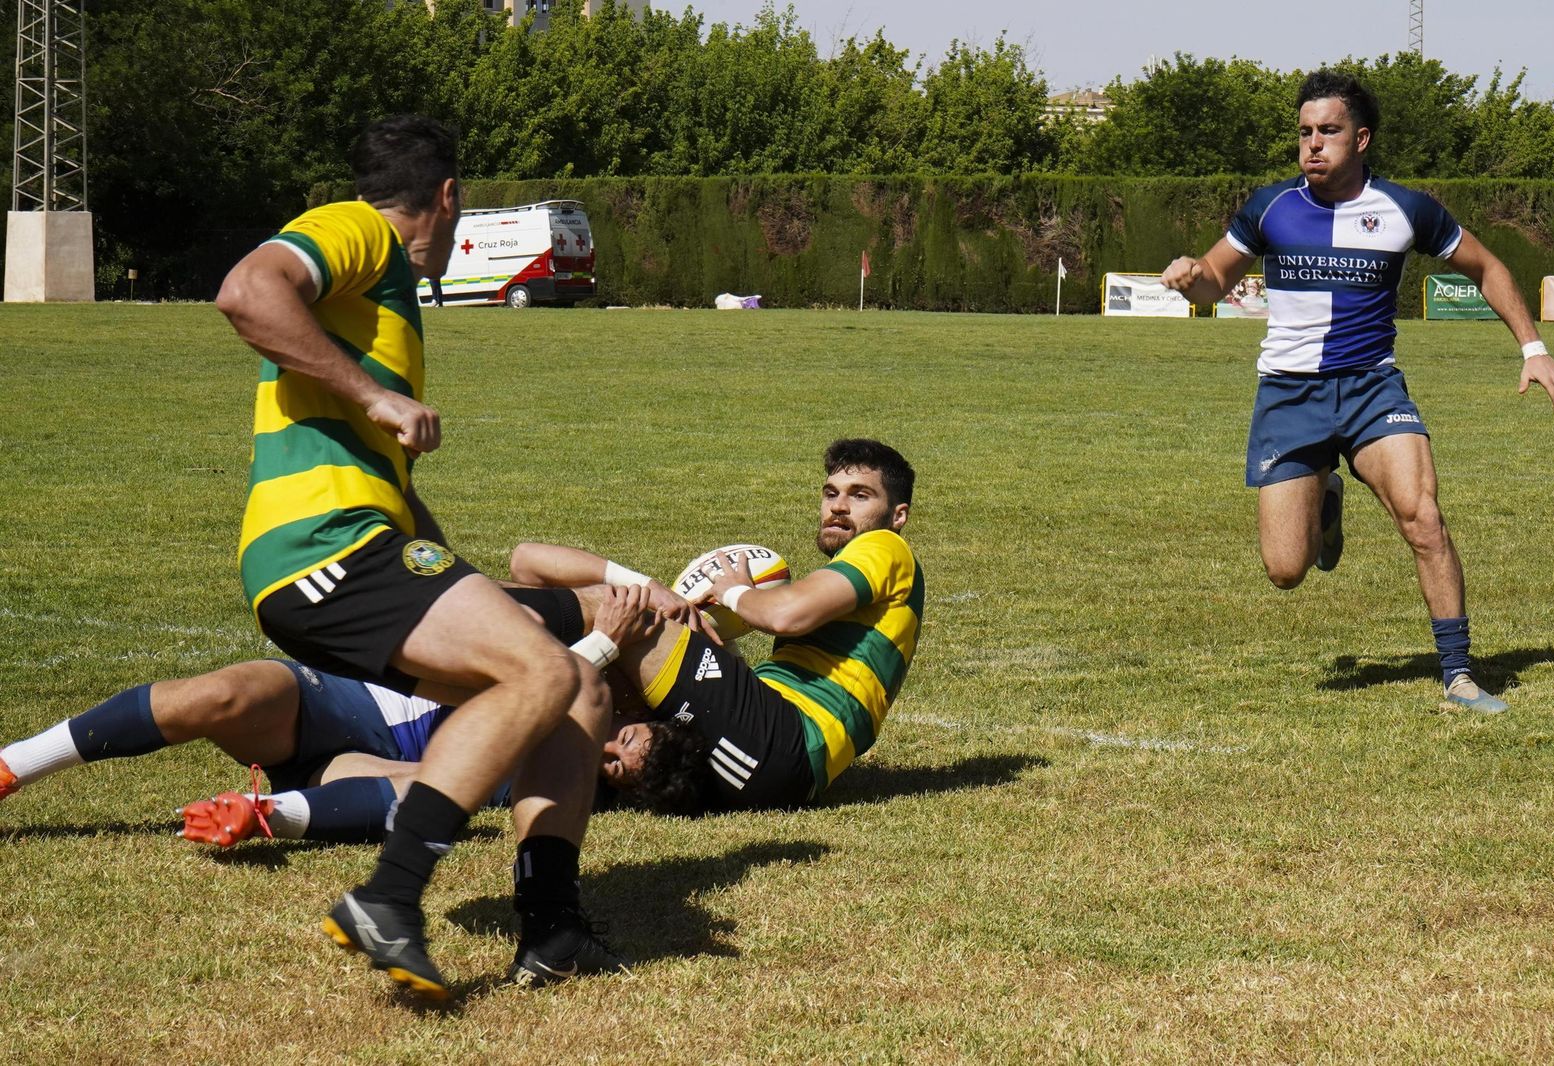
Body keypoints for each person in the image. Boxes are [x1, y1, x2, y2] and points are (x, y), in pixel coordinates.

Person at [215, 115, 692, 999]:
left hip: (367, 546)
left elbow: (364, 452)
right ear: (445, 197)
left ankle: (552, 927)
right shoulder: (358, 227)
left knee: (581, 683)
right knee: (542, 674)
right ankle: (390, 895)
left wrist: (434, 546)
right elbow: (247, 292)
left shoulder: (381, 287)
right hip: (323, 548)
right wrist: (376, 396)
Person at [1160, 71, 1554, 714]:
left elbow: (1488, 267)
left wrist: (1534, 348)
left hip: (1372, 389)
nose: (1312, 145)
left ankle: (1459, 674)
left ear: (1362, 137)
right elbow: (1216, 277)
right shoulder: (1270, 206)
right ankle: (1326, 495)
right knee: (1285, 570)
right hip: (1290, 397)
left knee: (1423, 517)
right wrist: (1192, 278)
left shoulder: (1407, 210)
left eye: (1328, 131)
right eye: (1304, 133)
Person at [0, 587, 642, 846]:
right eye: (625, 744)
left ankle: (260, 814)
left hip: (355, 768)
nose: (607, 757)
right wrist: (640, 593)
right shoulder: (594, 680)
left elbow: (434, 770)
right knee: (224, 694)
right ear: (636, 715)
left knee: (430, 787)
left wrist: (602, 645)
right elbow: (534, 569)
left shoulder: (550, 774)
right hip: (344, 700)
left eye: (615, 772)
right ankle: (14, 764)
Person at [511, 439, 924, 814]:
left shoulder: (886, 546)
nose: (838, 506)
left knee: (619, 610)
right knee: (605, 666)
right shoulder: (862, 585)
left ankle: (463, 612)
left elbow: (786, 615)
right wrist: (674, 605)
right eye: (831, 493)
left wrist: (733, 593)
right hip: (760, 765)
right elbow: (526, 560)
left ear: (898, 514)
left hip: (786, 740)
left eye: (860, 495)